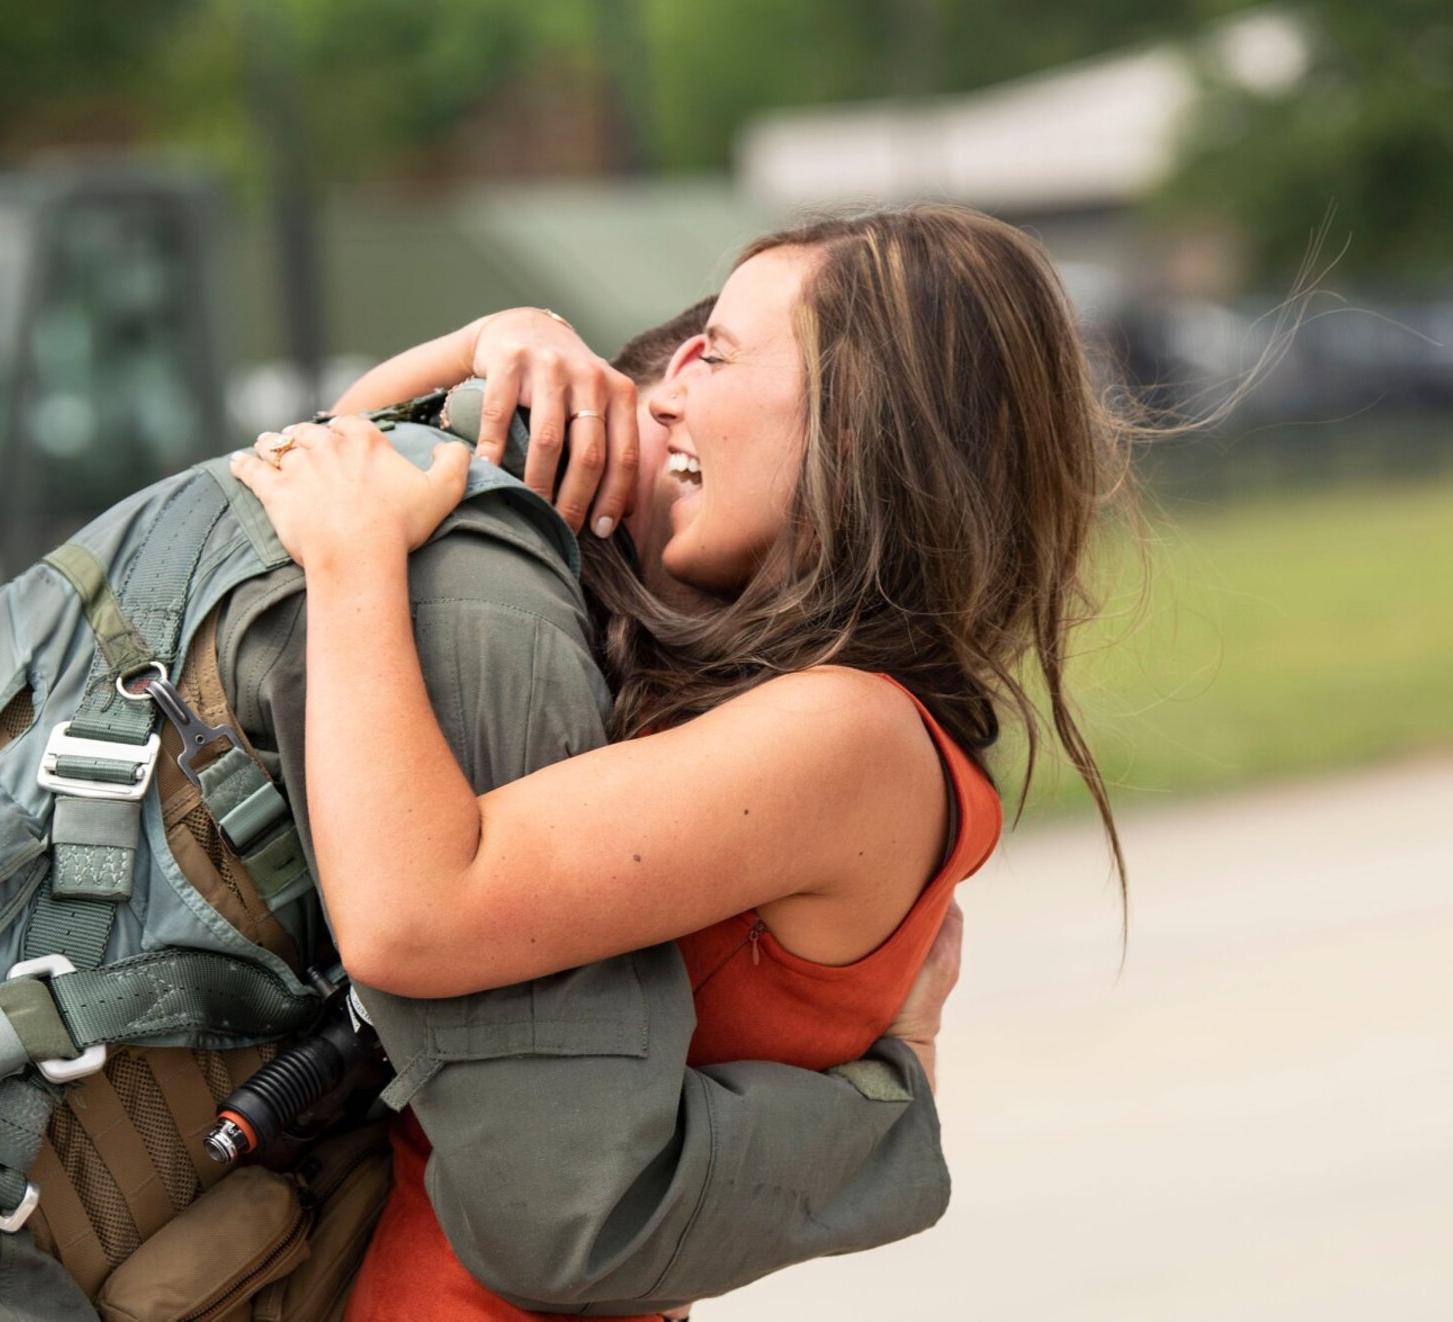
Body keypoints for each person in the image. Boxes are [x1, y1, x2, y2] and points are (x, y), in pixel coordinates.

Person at [0, 303, 963, 1319]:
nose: (652, 405)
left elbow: (557, 1188)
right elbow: (564, 1202)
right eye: (665, 368)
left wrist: (378, 525)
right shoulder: (492, 604)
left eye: (718, 367)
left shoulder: (803, 731)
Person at [233, 203, 1130, 1318]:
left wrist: (356, 558)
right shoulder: (751, 704)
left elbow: (414, 908)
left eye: (718, 353)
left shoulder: (851, 738)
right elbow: (309, 499)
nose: (664, 393)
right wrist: (491, 345)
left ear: (858, 424)